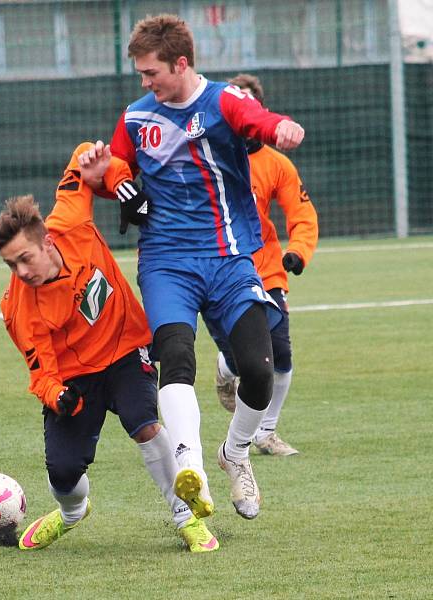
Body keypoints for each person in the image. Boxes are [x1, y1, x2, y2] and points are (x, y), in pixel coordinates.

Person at [93, 14, 306, 520]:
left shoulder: (223, 101)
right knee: (176, 356)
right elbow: (115, 171)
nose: (145, 83)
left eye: (152, 73)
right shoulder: (136, 118)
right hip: (166, 261)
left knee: (259, 370)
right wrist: (104, 176)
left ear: (181, 63)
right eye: (141, 75)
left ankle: (234, 454)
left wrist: (280, 127)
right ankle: (193, 471)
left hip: (231, 259)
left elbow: (258, 122)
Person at [0, 141, 219, 553]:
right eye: (10, 265)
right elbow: (41, 373)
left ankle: (186, 518)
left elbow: (85, 158)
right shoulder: (18, 308)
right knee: (62, 474)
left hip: (126, 349)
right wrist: (56, 395)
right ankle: (73, 513)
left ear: (47, 242)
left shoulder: (71, 220)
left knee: (143, 420)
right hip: (75, 379)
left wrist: (120, 181)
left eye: (24, 258)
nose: (20, 272)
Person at [209, 73, 318, 457]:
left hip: (267, 268)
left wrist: (298, 251)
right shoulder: (211, 157)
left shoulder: (277, 164)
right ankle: (226, 365)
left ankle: (265, 432)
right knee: (246, 357)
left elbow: (301, 213)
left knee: (282, 354)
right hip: (225, 268)